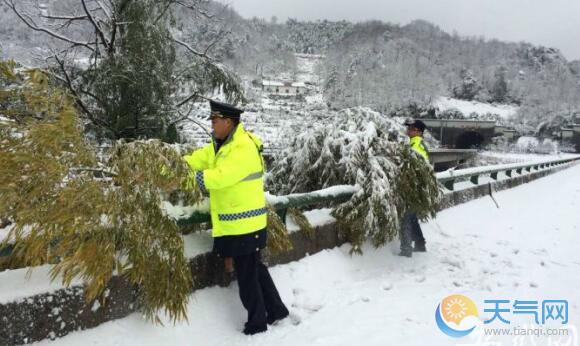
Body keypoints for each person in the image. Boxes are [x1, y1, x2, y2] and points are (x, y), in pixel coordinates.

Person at [183, 100, 289, 335]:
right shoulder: (220, 144)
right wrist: (173, 167)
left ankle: (257, 322)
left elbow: (220, 177)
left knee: (247, 276)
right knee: (255, 269)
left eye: (215, 120)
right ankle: (277, 310)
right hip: (240, 223)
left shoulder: (243, 147)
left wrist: (186, 180)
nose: (211, 124)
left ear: (228, 122)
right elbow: (197, 159)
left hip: (244, 224)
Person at [399, 119, 429, 257]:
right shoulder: (416, 143)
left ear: (418, 131)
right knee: (411, 217)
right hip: (417, 187)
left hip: (412, 187)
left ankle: (406, 250)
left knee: (405, 217)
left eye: (411, 128)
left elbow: (414, 167)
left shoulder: (415, 146)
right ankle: (420, 244)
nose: (408, 130)